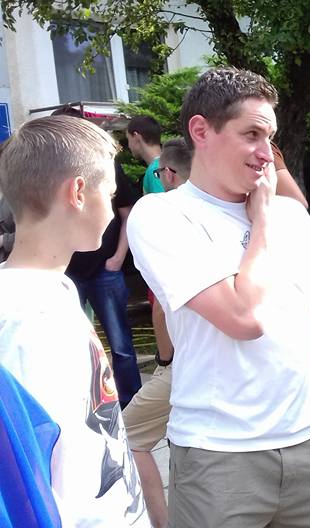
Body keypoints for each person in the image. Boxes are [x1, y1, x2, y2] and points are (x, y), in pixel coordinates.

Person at [126, 67, 310, 528]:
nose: (267, 154)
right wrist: (261, 221)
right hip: (219, 459)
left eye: (270, 137)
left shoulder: (291, 217)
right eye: (252, 135)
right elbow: (244, 318)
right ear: (201, 130)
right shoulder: (163, 215)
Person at [0, 115, 148, 526]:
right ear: (78, 192)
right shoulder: (23, 321)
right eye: (110, 194)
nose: (113, 212)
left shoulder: (57, 289)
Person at [51, 105, 143, 408]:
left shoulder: (105, 164)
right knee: (70, 342)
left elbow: (128, 212)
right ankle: (82, 403)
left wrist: (118, 256)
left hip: (105, 269)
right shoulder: (51, 171)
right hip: (66, 271)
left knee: (120, 345)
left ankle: (130, 405)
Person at [122, 137, 190, 528]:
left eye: (160, 173)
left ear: (170, 174)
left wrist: (164, 359)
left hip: (184, 360)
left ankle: (162, 523)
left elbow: (162, 306)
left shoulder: (161, 220)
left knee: (128, 436)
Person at [126, 115, 164, 195]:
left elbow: (162, 202)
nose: (129, 146)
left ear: (136, 137)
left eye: (128, 139)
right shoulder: (168, 164)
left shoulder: (155, 170)